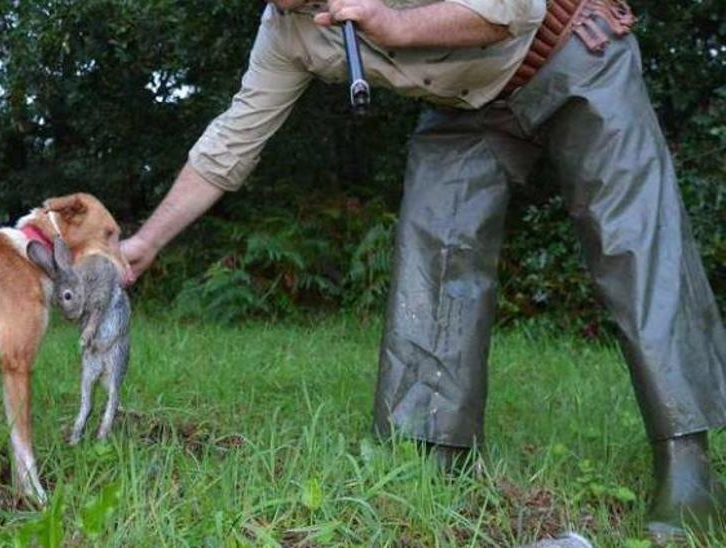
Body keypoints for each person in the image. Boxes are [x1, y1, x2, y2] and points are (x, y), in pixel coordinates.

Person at [119, 0, 726, 537]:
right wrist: (144, 243)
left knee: (631, 240)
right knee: (435, 243)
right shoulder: (284, 32)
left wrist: (393, 22)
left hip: (571, 46)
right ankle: (432, 450)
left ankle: (686, 460)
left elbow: (510, 7)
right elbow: (232, 143)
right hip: (466, 102)